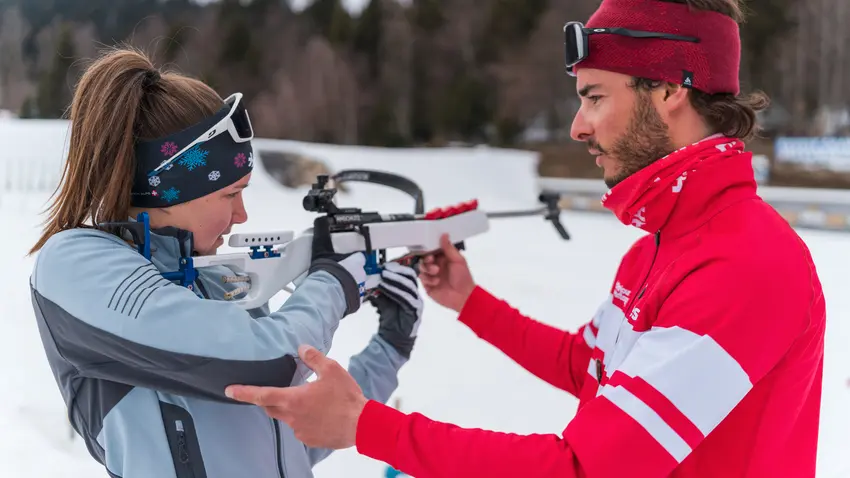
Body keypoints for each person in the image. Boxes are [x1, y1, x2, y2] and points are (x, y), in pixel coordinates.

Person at [224, 0, 826, 476]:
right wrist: (470, 303)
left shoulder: (744, 265)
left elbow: (582, 468)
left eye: (594, 97)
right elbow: (586, 366)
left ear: (670, 90)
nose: (577, 126)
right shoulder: (661, 246)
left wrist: (366, 427)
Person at [27, 46, 425, 478]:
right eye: (230, 194)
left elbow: (283, 439)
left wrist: (390, 347)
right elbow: (267, 364)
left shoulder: (222, 280)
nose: (242, 215)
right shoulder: (76, 266)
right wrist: (334, 281)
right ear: (168, 191)